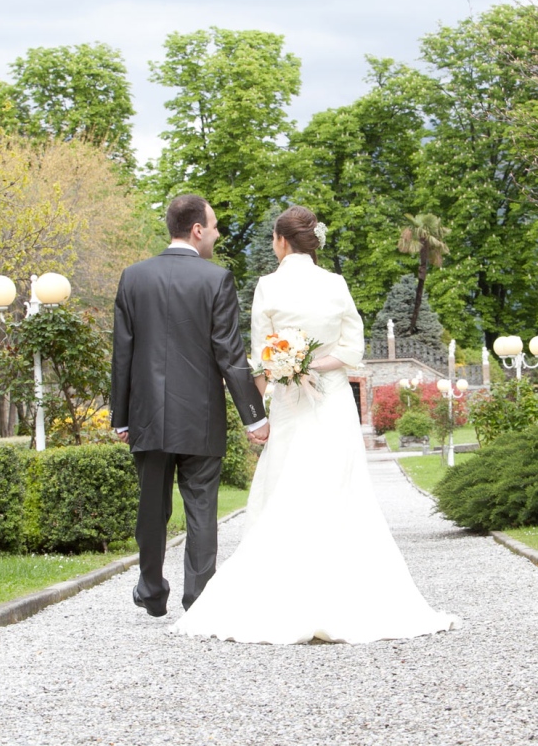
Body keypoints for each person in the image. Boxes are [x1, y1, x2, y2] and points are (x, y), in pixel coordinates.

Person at [172, 205, 460, 644]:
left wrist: (271, 393)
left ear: (281, 241)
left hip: (290, 403)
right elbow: (352, 350)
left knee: (286, 486)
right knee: (340, 489)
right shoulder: (335, 283)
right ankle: (346, 594)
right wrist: (312, 363)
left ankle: (283, 595)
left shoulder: (268, 286)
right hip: (333, 402)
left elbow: (260, 357)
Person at [111, 195, 268, 617]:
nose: (217, 234)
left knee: (151, 507)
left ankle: (151, 590)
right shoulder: (216, 279)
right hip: (200, 417)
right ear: (197, 230)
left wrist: (121, 418)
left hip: (147, 417)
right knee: (201, 508)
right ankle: (198, 600)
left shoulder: (133, 277)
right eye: (213, 226)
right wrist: (255, 416)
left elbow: (122, 353)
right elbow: (230, 355)